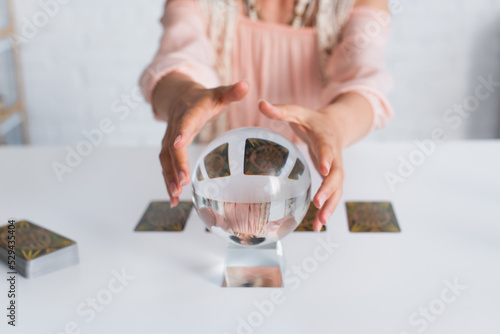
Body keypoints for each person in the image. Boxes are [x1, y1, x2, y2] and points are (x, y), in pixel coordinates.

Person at [140, 0, 393, 232]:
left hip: (308, 184)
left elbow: (366, 86)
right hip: (221, 190)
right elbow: (173, 63)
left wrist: (334, 125)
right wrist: (183, 97)